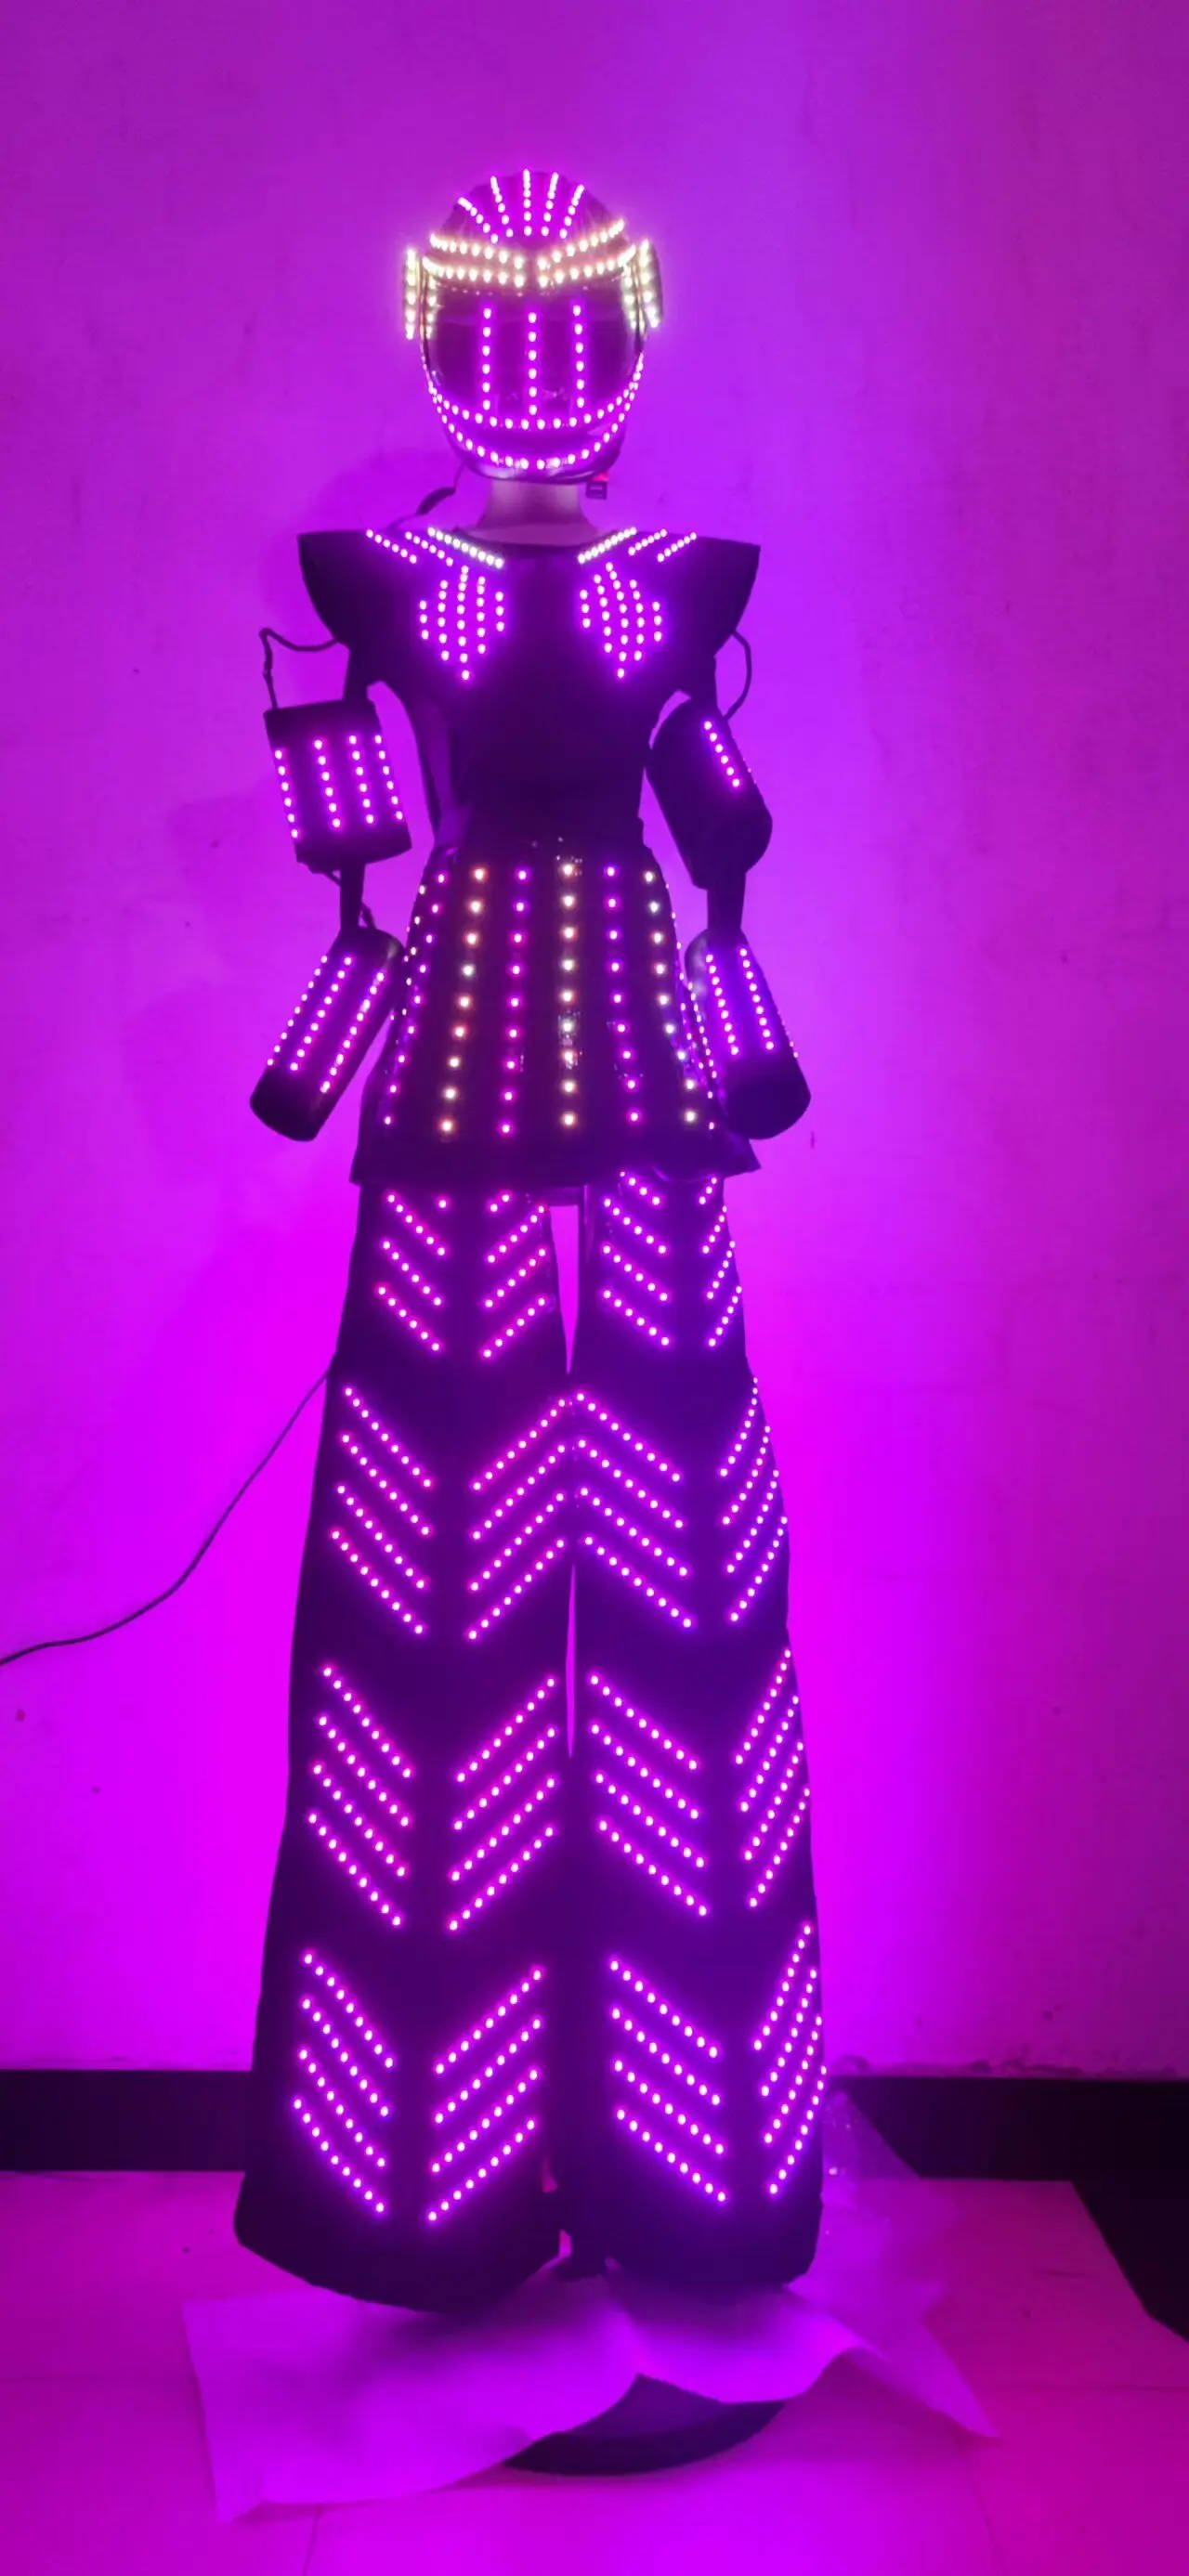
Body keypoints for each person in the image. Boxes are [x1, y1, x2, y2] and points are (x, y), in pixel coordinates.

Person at [235, 171, 825, 2310]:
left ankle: (685, 2161)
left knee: (671, 1595)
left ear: (628, 349)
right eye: (501, 332)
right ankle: (437, 2179)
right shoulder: (396, 586)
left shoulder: (669, 588)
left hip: (633, 1101)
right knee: (441, 1605)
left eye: (574, 332)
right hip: (478, 1095)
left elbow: (721, 837)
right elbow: (376, 847)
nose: (541, 374)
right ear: (442, 348)